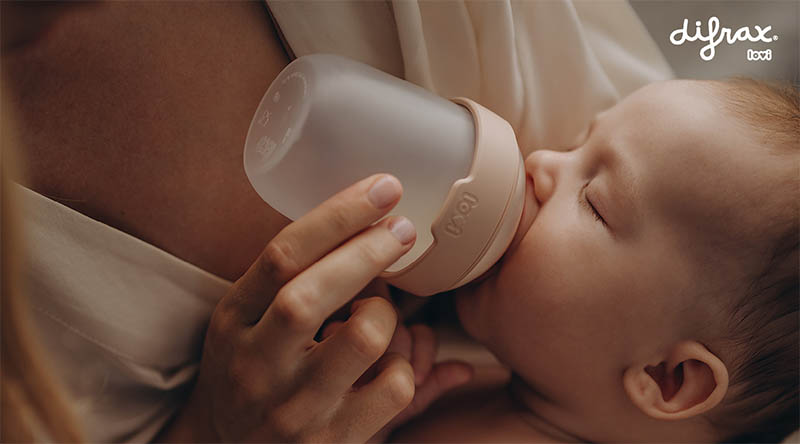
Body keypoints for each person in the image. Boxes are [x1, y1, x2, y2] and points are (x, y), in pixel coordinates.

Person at [390, 78, 800, 443]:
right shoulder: (500, 377)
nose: (540, 162)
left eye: (595, 203)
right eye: (575, 146)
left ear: (666, 376)